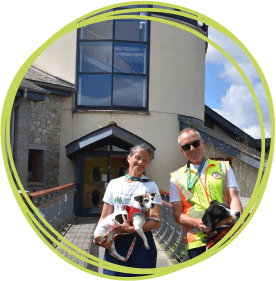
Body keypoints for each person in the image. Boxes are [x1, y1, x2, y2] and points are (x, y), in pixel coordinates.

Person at [170, 128, 243, 259]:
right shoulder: (176, 177)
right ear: (182, 151)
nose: (192, 148)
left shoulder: (224, 167)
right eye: (187, 147)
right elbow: (177, 213)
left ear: (202, 143)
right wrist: (197, 223)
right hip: (197, 241)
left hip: (226, 234)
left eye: (195, 143)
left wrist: (239, 223)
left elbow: (233, 198)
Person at [93, 144, 162, 276]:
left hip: (142, 243)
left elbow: (156, 220)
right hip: (116, 239)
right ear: (129, 158)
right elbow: (104, 216)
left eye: (145, 160)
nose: (141, 162)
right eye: (137, 157)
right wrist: (97, 238)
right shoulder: (115, 184)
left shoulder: (149, 186)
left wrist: (130, 229)